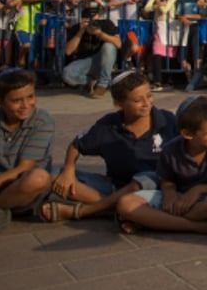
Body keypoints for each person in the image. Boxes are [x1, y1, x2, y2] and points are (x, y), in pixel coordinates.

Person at [41, 71, 178, 221]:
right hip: (114, 187)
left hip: (153, 189)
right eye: (138, 100)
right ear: (119, 104)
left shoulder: (167, 120)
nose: (147, 103)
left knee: (146, 178)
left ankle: (85, 211)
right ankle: (116, 209)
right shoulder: (108, 126)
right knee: (54, 176)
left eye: (149, 96)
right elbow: (76, 145)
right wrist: (68, 169)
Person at [114, 95, 207, 237]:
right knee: (126, 203)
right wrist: (170, 193)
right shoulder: (170, 149)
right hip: (181, 199)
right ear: (187, 134)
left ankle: (155, 221)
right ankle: (200, 227)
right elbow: (167, 180)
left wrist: (200, 190)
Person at [0, 69, 54, 234]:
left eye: (30, 97)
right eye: (16, 101)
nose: (26, 105)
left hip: (23, 191)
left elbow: (23, 169)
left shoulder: (42, 120)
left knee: (38, 178)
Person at [61, 0, 120, 99]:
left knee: (109, 46)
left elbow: (118, 44)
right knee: (67, 74)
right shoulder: (77, 28)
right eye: (89, 19)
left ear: (99, 16)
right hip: (84, 61)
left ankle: (103, 84)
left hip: (102, 60)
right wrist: (81, 31)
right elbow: (68, 51)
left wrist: (100, 33)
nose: (93, 22)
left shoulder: (106, 24)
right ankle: (92, 81)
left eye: (95, 19)